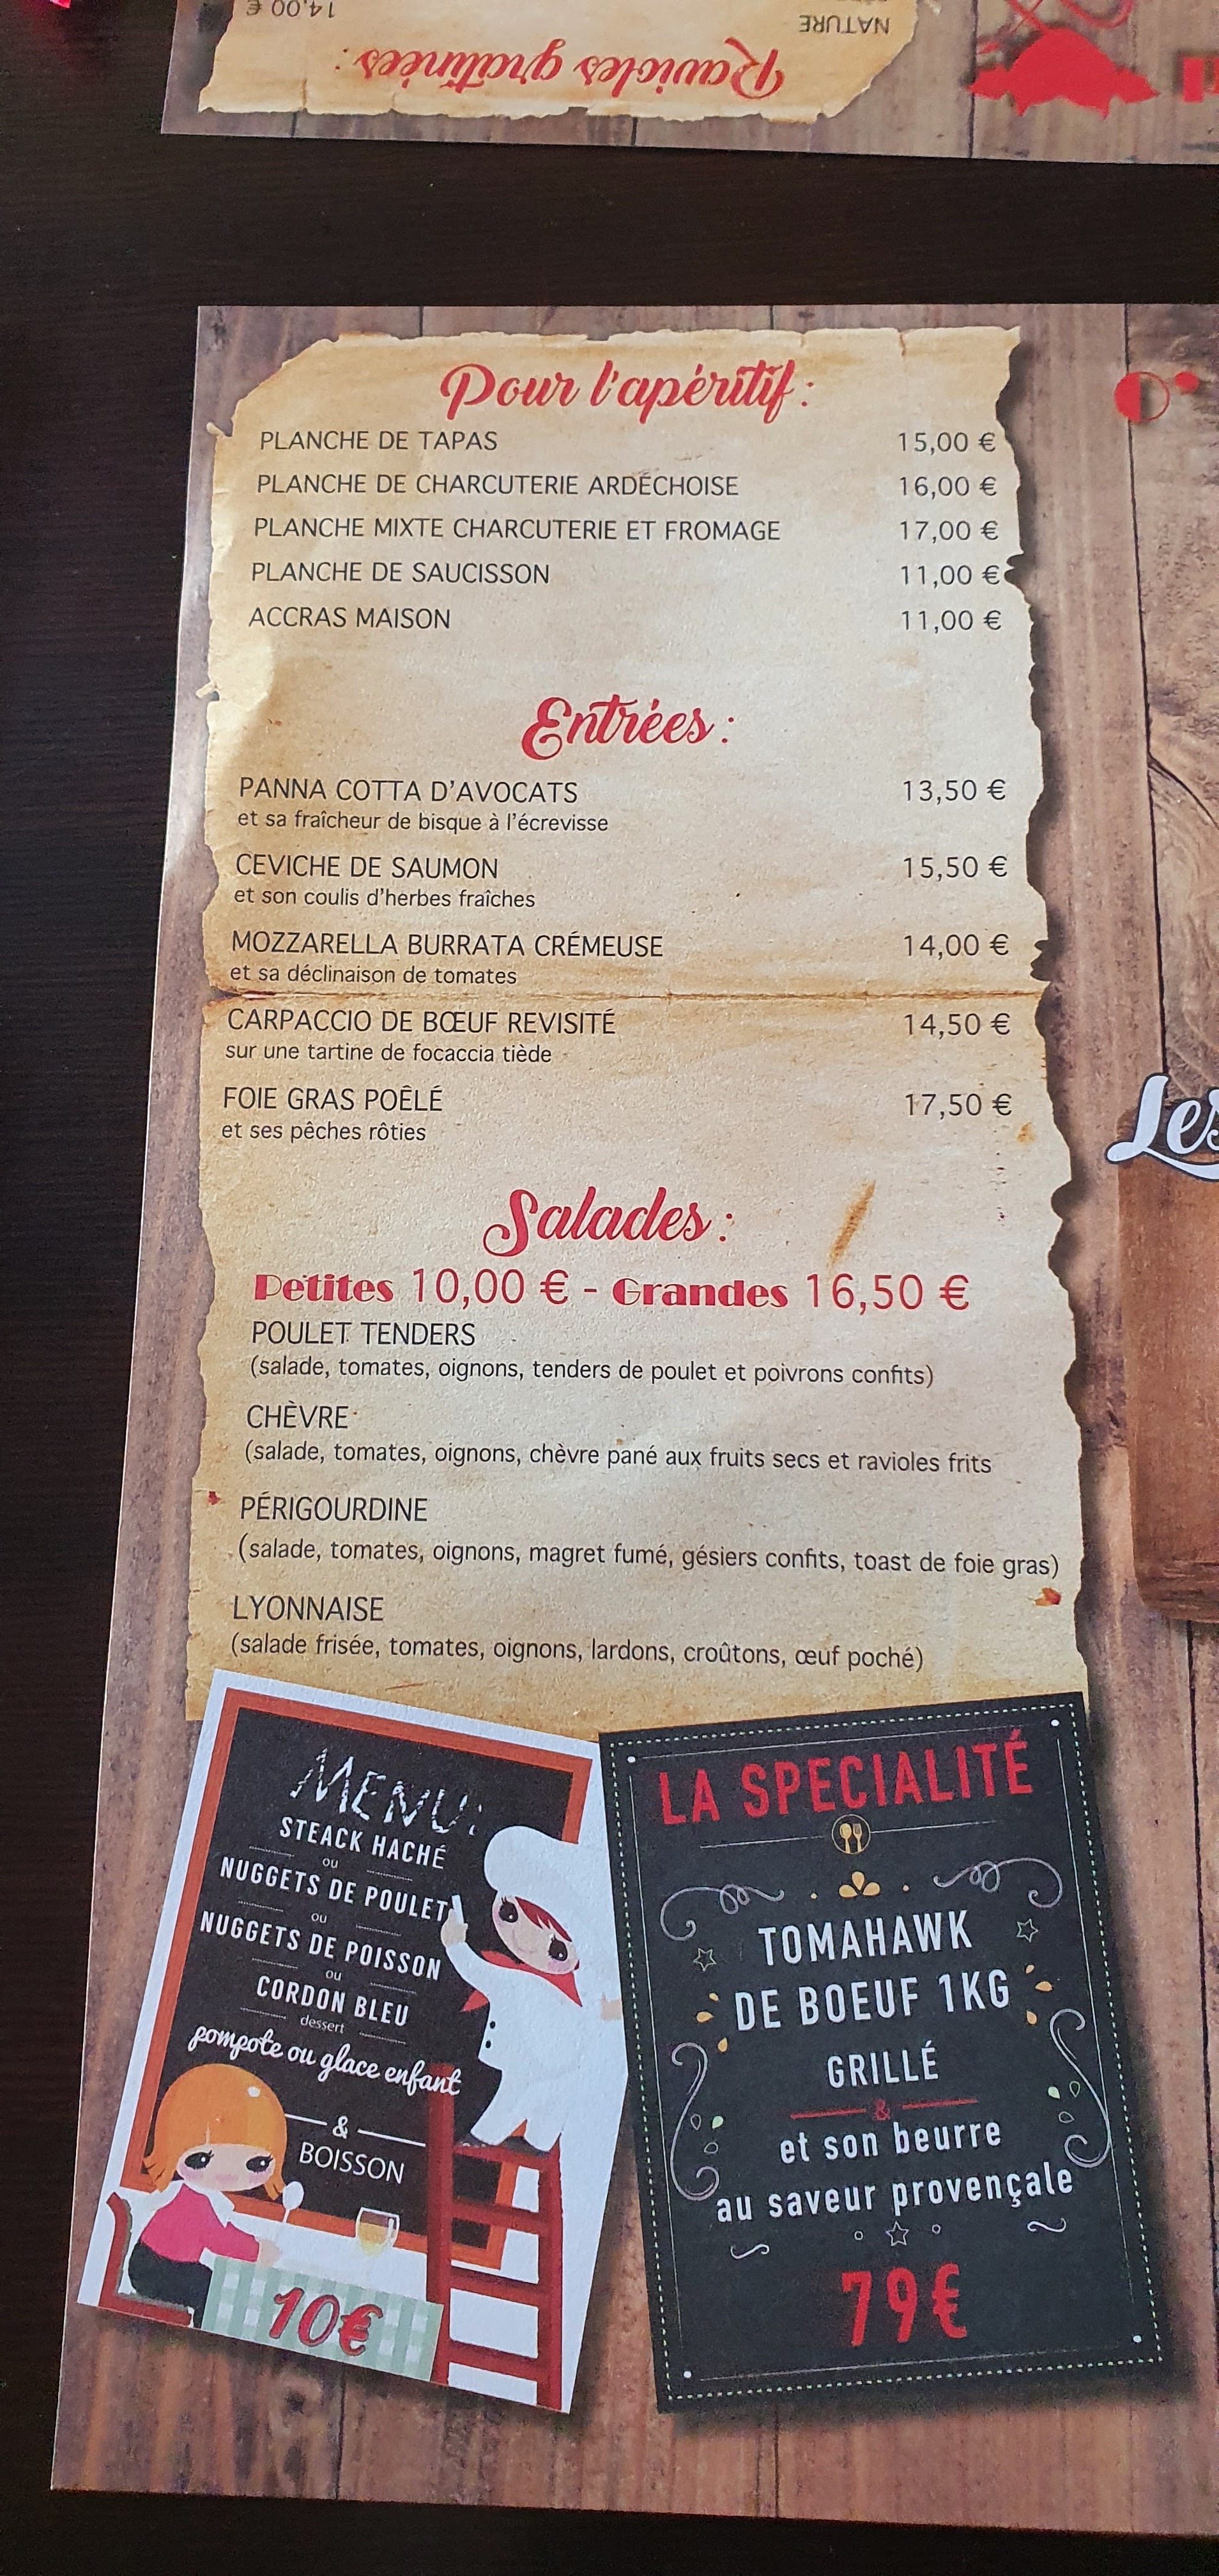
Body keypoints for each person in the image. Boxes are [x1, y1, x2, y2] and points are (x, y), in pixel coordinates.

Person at [441, 1824, 622, 2154]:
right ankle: (528, 2140)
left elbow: (477, 1972)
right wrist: (455, 1946)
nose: (523, 1941)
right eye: (510, 1914)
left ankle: (495, 2138)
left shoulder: (544, 1983)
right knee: (540, 2097)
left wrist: (455, 1945)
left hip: (547, 2062)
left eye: (556, 1949)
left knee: (526, 2097)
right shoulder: (533, 1982)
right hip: (552, 2062)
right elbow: (477, 1972)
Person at [126, 2062, 288, 2324]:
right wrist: (256, 2250)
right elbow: (217, 2237)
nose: (228, 2173)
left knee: (209, 2283)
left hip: (160, 2265)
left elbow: (220, 2229)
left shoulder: (200, 2196)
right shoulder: (192, 2198)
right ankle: (202, 2329)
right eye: (202, 2159)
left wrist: (256, 2246)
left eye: (255, 2163)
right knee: (210, 2288)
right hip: (155, 2269)